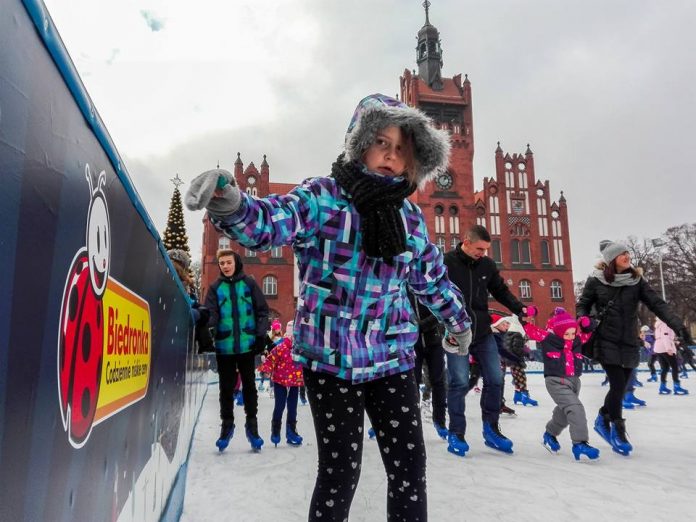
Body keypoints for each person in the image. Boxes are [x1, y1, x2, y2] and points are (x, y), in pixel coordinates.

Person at [185, 93, 472, 521]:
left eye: (401, 148)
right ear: (359, 144)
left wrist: (457, 322)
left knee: (410, 471)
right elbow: (269, 223)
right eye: (381, 142)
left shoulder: (410, 219)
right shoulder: (323, 198)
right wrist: (231, 201)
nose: (390, 156)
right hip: (331, 361)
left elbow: (430, 277)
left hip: (391, 359)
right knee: (340, 473)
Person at [576, 240, 692, 456]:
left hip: (629, 339)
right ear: (611, 260)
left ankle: (603, 417)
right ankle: (618, 431)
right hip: (605, 338)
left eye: (627, 252)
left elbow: (657, 304)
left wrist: (678, 326)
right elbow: (582, 303)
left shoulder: (636, 281)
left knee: (624, 382)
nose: (627, 256)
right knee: (618, 384)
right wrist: (583, 318)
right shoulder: (596, 281)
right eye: (622, 254)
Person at [441, 224, 528, 456]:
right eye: (479, 248)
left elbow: (500, 290)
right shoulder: (446, 262)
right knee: (459, 382)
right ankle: (456, 433)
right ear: (466, 242)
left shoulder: (487, 265)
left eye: (486, 249)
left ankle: (491, 429)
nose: (483, 253)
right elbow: (432, 292)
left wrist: (519, 308)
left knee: (496, 378)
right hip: (456, 331)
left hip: (482, 330)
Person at [204, 249, 270, 452]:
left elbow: (262, 310)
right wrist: (205, 322)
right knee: (226, 388)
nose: (225, 266)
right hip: (225, 347)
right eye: (222, 263)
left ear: (236, 263)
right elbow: (211, 314)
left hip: (247, 345)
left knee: (249, 386)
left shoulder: (249, 284)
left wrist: (260, 335)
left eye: (228, 262)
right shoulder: (215, 288)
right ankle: (227, 425)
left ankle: (252, 427)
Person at [523, 308, 600, 461]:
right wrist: (528, 314)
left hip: (574, 381)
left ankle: (550, 434)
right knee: (575, 408)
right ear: (558, 332)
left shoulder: (576, 340)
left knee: (565, 413)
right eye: (566, 334)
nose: (571, 337)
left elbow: (589, 330)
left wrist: (586, 323)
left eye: (573, 333)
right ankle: (580, 443)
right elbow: (529, 329)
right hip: (555, 381)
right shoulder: (548, 339)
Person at [408, 290, 448, 439]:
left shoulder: (428, 289)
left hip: (434, 341)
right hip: (412, 344)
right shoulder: (403, 289)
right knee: (413, 382)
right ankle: (412, 421)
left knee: (438, 381)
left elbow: (440, 312)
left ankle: (440, 420)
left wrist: (421, 326)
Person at [257, 320, 305, 446]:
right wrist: (266, 370)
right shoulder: (280, 347)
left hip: (295, 382)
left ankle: (291, 431)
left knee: (292, 408)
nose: (293, 339)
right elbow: (270, 359)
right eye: (291, 336)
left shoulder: (301, 349)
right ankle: (276, 430)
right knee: (280, 406)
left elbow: (306, 362)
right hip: (280, 381)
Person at [167, 248, 214, 353]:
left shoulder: (182, 283)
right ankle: (207, 349)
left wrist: (199, 308)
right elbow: (179, 308)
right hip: (175, 332)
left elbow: (189, 302)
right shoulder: (175, 282)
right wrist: (198, 313)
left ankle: (207, 349)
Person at [653, 319, 689, 395]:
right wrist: (668, 348)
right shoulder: (666, 324)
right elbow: (665, 336)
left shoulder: (659, 324)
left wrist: (674, 341)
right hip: (665, 348)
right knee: (675, 367)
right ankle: (677, 387)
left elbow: (662, 337)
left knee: (665, 368)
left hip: (659, 348)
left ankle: (662, 387)